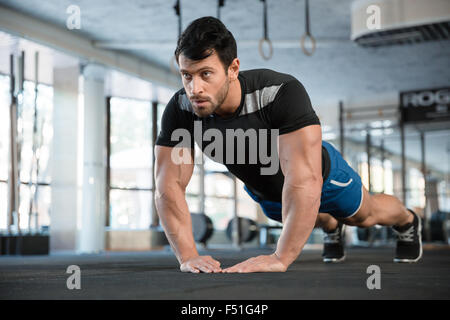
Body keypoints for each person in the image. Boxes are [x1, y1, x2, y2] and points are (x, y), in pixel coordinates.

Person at [154, 16, 422, 274]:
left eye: (206, 74)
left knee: (362, 216)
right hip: (269, 193)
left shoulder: (278, 92)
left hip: (322, 177)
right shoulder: (181, 110)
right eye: (187, 75)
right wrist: (188, 255)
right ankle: (330, 226)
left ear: (233, 69)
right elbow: (169, 187)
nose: (194, 88)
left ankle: (407, 220)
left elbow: (305, 181)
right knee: (308, 216)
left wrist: (280, 257)